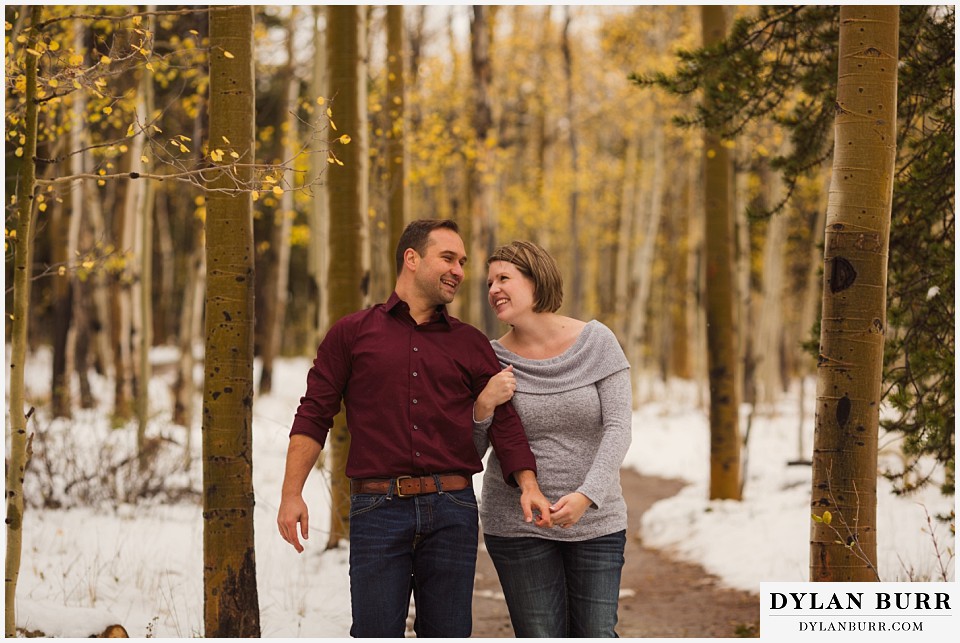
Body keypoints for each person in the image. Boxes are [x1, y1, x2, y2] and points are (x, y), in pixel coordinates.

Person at [277, 219, 553, 638]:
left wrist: (528, 485)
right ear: (411, 258)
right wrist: (291, 492)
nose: (459, 270)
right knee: (374, 632)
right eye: (447, 257)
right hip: (377, 510)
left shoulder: (471, 343)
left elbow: (505, 422)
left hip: (452, 510)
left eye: (461, 262)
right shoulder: (351, 334)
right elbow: (314, 413)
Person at [473, 239, 632, 638]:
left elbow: (619, 428)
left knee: (596, 633)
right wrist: (482, 407)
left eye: (503, 278)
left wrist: (587, 495)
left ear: (535, 280)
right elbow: (474, 452)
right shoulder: (489, 358)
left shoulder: (598, 341)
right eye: (489, 282)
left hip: (597, 521)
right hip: (517, 525)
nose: (493, 289)